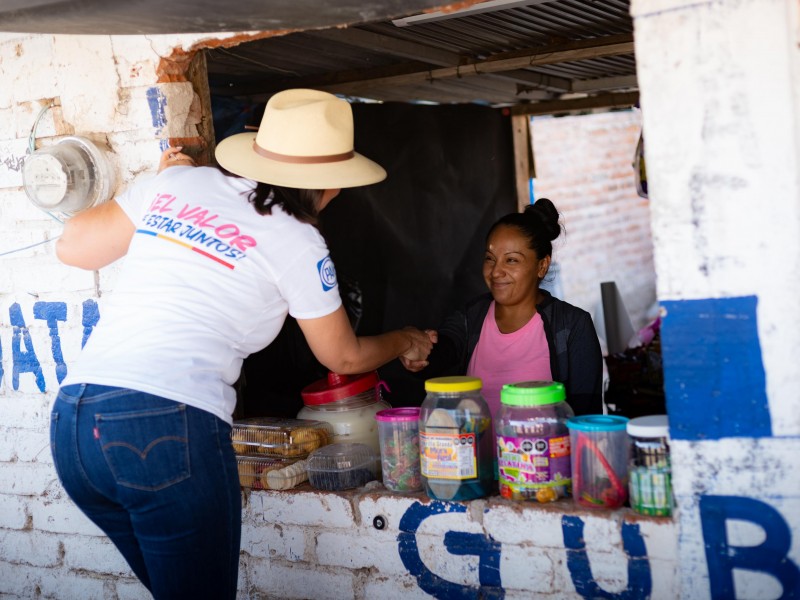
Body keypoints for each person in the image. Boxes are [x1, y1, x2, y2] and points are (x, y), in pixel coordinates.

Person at [50, 88, 434, 600]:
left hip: (75, 425)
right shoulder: (298, 240)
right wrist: (405, 338)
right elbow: (341, 356)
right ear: (334, 186)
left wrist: (160, 183)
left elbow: (72, 247)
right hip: (165, 427)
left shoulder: (180, 182)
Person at [403, 198, 603, 417]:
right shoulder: (472, 316)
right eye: (490, 259)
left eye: (511, 260)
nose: (496, 271)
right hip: (472, 452)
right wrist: (416, 350)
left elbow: (587, 421)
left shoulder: (572, 326)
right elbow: (442, 353)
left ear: (542, 265)